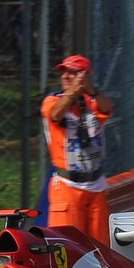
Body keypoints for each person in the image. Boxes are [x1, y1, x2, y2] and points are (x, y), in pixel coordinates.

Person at [41, 54, 114, 243]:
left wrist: (92, 91)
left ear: (85, 77)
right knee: (67, 247)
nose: (65, 76)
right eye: (63, 72)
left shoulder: (93, 102)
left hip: (96, 186)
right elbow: (56, 115)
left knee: (101, 247)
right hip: (67, 187)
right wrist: (72, 93)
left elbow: (107, 108)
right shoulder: (52, 101)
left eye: (72, 73)